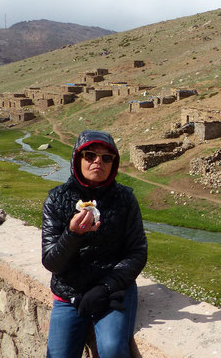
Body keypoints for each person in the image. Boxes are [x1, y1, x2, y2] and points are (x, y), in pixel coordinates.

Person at [41, 130, 147, 358]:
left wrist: (106, 287)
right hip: (69, 294)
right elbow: (51, 262)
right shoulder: (56, 199)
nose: (98, 161)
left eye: (106, 158)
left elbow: (137, 252)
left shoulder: (125, 199)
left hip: (112, 291)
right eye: (90, 155)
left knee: (111, 349)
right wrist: (72, 234)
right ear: (77, 159)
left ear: (113, 164)